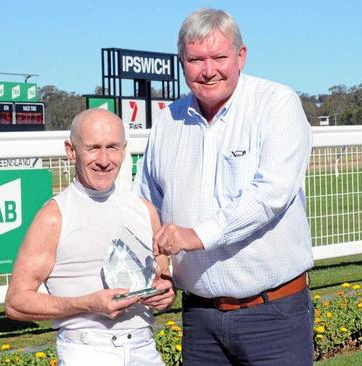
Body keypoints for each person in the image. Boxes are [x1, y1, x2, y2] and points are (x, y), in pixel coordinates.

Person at [135, 8, 314, 365]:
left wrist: (196, 235)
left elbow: (270, 195)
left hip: (273, 314)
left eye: (219, 57)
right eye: (196, 59)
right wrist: (160, 269)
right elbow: (147, 204)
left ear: (241, 56)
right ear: (182, 61)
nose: (208, 69)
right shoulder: (169, 121)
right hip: (200, 318)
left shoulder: (276, 104)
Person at [5, 108, 175, 366]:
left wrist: (164, 294)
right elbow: (16, 302)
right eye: (93, 148)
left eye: (113, 147)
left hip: (144, 348)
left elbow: (162, 281)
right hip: (87, 350)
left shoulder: (145, 210)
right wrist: (87, 304)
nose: (105, 159)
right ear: (71, 151)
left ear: (124, 149)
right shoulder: (53, 217)